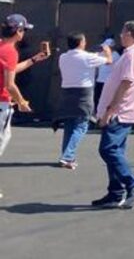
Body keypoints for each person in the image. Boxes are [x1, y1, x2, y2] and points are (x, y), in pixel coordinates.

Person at [92, 20, 134, 210]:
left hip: (121, 111)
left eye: (123, 32)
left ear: (130, 34)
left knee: (108, 149)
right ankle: (115, 193)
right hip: (124, 110)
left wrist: (110, 110)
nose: (120, 36)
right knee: (116, 151)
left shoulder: (133, 54)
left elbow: (126, 83)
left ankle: (133, 183)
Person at [0, 13, 52, 200]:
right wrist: (21, 102)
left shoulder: (2, 47)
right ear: (17, 31)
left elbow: (10, 70)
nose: (24, 34)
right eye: (23, 30)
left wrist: (34, 59)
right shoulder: (9, 51)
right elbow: (10, 84)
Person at [55, 32, 112, 168]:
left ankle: (68, 157)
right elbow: (109, 61)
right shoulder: (88, 57)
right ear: (80, 43)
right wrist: (107, 51)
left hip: (66, 92)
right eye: (84, 41)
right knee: (81, 125)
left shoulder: (63, 57)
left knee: (70, 125)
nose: (86, 43)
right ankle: (68, 156)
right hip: (83, 93)